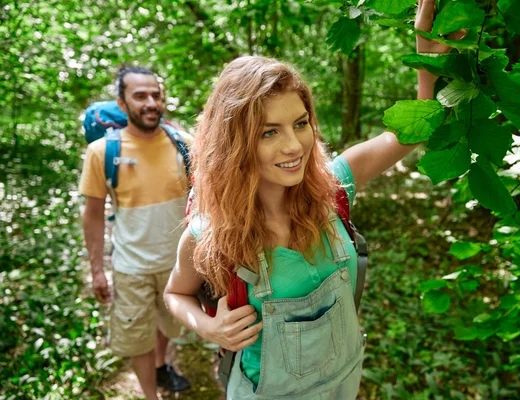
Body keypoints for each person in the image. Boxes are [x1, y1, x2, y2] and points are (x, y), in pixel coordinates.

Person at [164, 1, 463, 398]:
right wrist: (207, 326)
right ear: (235, 145)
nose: (294, 146)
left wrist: (430, 64)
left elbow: (414, 130)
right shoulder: (211, 233)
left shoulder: (333, 187)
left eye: (300, 124)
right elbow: (175, 293)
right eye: (269, 132)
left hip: (343, 382)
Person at [80, 66, 192, 399]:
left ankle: (162, 365)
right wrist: (98, 269)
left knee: (167, 325)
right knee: (137, 336)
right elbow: (94, 214)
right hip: (132, 267)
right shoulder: (102, 152)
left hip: (179, 264)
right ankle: (150, 395)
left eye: (156, 95)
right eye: (140, 96)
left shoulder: (184, 144)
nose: (151, 102)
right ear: (122, 102)